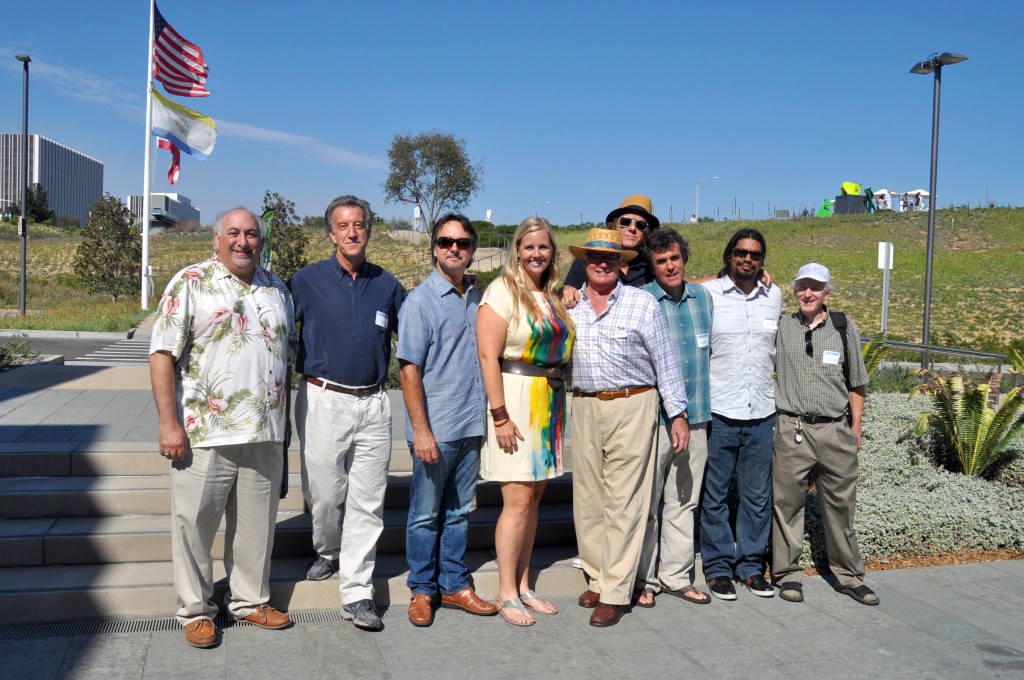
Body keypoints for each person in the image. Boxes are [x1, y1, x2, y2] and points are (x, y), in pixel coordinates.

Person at [149, 208, 295, 648]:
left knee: (255, 529)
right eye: (233, 233)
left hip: (265, 432)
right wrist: (168, 424)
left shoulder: (277, 287)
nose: (243, 241)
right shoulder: (190, 282)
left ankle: (249, 602)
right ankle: (196, 609)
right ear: (217, 239)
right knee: (194, 526)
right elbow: (161, 354)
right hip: (204, 433)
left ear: (261, 241)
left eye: (251, 234)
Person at [288, 195, 405, 632]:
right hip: (323, 398)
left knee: (368, 501)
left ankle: (358, 593)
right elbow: (276, 330)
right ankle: (327, 548)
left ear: (368, 231)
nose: (352, 232)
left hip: (374, 401)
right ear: (331, 234)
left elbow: (416, 330)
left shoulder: (388, 286)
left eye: (360, 225)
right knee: (323, 490)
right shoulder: (305, 281)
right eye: (344, 226)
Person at [569, 226, 689, 628]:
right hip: (585, 405)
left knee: (624, 500)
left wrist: (678, 414)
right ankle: (598, 576)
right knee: (588, 500)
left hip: (632, 403)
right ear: (584, 262)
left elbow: (665, 362)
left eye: (611, 258)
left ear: (622, 264)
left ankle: (617, 591)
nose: (603, 263)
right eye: (595, 257)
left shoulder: (641, 304)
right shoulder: (570, 306)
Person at [397, 213, 498, 627]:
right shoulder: (420, 302)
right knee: (424, 513)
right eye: (444, 241)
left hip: (470, 423)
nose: (453, 248)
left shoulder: (477, 295)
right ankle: (422, 589)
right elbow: (408, 370)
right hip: (435, 428)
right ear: (434, 248)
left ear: (472, 250)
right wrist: (421, 430)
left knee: (458, 512)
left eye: (461, 242)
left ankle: (455, 584)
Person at [477, 217, 575, 626]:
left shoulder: (550, 294)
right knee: (516, 501)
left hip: (548, 405)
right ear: (517, 249)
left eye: (544, 247)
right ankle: (504, 592)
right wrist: (499, 416)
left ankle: (523, 585)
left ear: (553, 252)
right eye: (529, 246)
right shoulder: (501, 291)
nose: (537, 253)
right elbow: (487, 356)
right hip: (514, 403)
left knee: (534, 499)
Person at [771, 263, 878, 606]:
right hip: (793, 428)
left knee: (841, 507)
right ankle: (787, 574)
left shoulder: (844, 329)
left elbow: (856, 383)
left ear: (826, 293)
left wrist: (855, 427)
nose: (807, 293)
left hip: (835, 430)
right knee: (787, 505)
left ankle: (849, 576)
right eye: (802, 286)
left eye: (815, 287)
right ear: (794, 289)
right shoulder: (782, 327)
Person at [699, 228, 783, 601]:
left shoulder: (774, 296)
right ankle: (718, 568)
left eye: (755, 254)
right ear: (728, 255)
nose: (747, 259)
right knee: (714, 494)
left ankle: (750, 567)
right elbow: (675, 281)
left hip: (762, 411)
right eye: (740, 252)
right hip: (721, 411)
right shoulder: (710, 295)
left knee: (757, 495)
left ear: (763, 260)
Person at [634, 229, 713, 607]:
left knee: (684, 502)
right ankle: (645, 579)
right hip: (655, 422)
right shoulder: (642, 301)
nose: (670, 266)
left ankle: (676, 577)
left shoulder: (704, 299)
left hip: (696, 419)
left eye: (675, 258)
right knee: (648, 505)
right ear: (652, 265)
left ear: (685, 259)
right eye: (662, 261)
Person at [562, 194, 660, 303]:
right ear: (614, 226)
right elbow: (567, 292)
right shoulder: (587, 259)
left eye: (641, 225)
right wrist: (568, 289)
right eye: (625, 222)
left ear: (648, 232)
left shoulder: (652, 265)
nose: (632, 228)